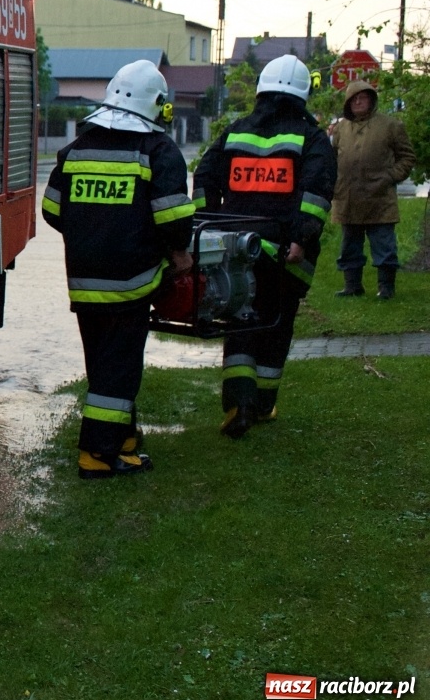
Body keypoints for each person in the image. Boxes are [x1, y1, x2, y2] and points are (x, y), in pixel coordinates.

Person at [42, 60, 194, 479]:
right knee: (120, 370)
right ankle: (96, 454)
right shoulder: (158, 151)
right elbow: (175, 222)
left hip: (85, 283)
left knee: (103, 366)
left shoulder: (76, 149)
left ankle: (124, 441)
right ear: (157, 105)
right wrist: (179, 254)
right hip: (132, 283)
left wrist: (93, 230)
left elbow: (52, 211)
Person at [194, 55, 336, 439]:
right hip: (284, 251)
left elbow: (205, 176)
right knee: (278, 321)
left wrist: (209, 226)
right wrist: (301, 238)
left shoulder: (235, 130)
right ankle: (263, 405)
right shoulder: (312, 137)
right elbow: (317, 192)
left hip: (235, 247)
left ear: (261, 90)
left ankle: (238, 403)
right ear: (303, 94)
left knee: (240, 318)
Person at [330, 79, 415, 299]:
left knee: (384, 247)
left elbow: (407, 157)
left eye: (363, 97)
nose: (358, 102)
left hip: (379, 199)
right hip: (347, 198)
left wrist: (389, 177)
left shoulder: (391, 126)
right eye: (354, 99)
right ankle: (352, 286)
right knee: (349, 247)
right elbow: (331, 158)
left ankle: (386, 288)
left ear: (372, 100)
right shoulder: (340, 128)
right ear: (348, 103)